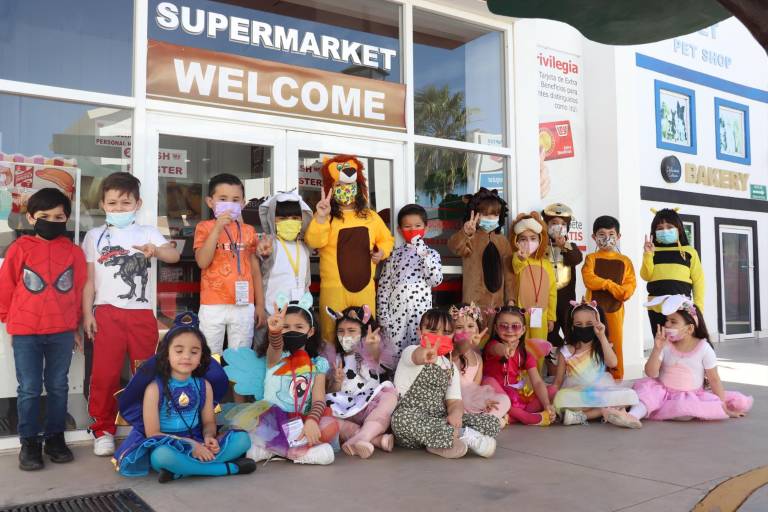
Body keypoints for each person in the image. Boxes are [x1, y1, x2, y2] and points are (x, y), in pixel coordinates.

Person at [82, 172, 180, 456]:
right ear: (102, 203)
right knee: (105, 374)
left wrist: (156, 251)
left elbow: (172, 255)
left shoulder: (147, 231)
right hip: (107, 313)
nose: (118, 208)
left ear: (138, 203)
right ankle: (102, 429)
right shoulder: (94, 236)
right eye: (112, 202)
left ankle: (144, 427)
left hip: (140, 314)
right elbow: (89, 280)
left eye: (125, 203)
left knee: (145, 373)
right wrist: (87, 313)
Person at [0, 188, 86, 471]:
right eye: (44, 216)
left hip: (61, 331)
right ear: (30, 217)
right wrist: (8, 321)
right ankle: (29, 442)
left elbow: (76, 290)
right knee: (29, 388)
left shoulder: (74, 252)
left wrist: (75, 327)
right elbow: (7, 286)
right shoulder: (19, 248)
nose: (52, 220)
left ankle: (55, 438)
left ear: (67, 218)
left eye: (59, 216)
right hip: (26, 331)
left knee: (59, 386)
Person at [113, 312, 254, 482]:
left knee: (243, 439)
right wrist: (191, 445)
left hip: (198, 438)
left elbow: (209, 423)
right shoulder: (154, 389)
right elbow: (152, 433)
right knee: (161, 457)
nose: (186, 356)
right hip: (165, 442)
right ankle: (226, 469)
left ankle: (180, 471)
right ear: (166, 355)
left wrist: (209, 437)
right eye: (179, 351)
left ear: (202, 358)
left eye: (194, 352)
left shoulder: (204, 385)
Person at [219, 293, 340, 465]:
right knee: (251, 431)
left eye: (299, 327)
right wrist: (275, 331)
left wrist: (312, 421)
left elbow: (319, 399)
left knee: (330, 426)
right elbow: (275, 345)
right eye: (286, 327)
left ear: (311, 331)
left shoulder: (318, 364)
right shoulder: (275, 357)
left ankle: (270, 449)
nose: (292, 331)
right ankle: (295, 452)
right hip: (270, 418)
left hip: (302, 420)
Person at [305, 155, 394, 344]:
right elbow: (314, 241)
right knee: (331, 334)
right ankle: (330, 371)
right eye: (339, 186)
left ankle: (365, 370)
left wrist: (382, 252)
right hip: (333, 289)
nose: (345, 190)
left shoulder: (370, 216)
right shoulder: (326, 216)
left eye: (349, 186)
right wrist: (321, 217)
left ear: (358, 186)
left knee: (365, 331)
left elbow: (387, 239)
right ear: (331, 188)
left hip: (365, 290)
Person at [391, 309, 500, 459]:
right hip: (412, 419)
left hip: (440, 419)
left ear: (453, 335)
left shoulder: (450, 367)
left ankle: (440, 443)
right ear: (419, 332)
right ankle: (462, 435)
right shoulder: (410, 351)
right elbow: (417, 356)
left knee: (491, 422)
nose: (439, 336)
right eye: (432, 330)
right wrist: (425, 354)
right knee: (400, 420)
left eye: (446, 332)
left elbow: (454, 400)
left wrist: (456, 414)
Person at [629, 295, 752, 422]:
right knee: (647, 396)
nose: (667, 324)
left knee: (686, 410)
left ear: (689, 328)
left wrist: (724, 409)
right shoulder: (665, 345)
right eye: (667, 320)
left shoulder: (704, 348)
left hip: (690, 395)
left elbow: (714, 380)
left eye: (673, 321)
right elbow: (651, 373)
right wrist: (657, 349)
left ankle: (641, 411)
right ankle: (632, 416)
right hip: (663, 392)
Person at [194, 173, 266, 356]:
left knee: (240, 356)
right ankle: (211, 385)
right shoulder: (204, 227)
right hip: (212, 303)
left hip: (244, 305)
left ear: (243, 203)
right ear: (210, 201)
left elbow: (255, 271)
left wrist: (259, 305)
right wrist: (218, 228)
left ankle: (234, 386)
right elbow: (202, 261)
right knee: (210, 355)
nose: (230, 204)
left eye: (235, 200)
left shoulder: (249, 231)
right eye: (223, 199)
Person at [325, 305, 398, 459]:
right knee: (326, 418)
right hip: (345, 410)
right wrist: (336, 381)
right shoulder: (335, 358)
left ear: (364, 332)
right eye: (341, 331)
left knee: (390, 395)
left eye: (352, 331)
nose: (345, 335)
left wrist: (372, 346)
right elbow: (331, 392)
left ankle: (363, 437)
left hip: (370, 408)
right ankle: (376, 440)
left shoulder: (369, 355)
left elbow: (377, 357)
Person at [553, 300, 640, 427]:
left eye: (589, 324)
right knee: (561, 398)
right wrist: (550, 401)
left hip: (601, 392)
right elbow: (558, 381)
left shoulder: (602, 346)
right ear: (572, 326)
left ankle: (584, 416)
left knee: (630, 395)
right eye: (578, 324)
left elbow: (612, 363)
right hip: (578, 393)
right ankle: (610, 411)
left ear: (597, 324)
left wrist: (602, 336)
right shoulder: (566, 351)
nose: (583, 327)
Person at [377, 204, 442, 363]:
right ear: (400, 230)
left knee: (419, 349)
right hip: (396, 315)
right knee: (395, 353)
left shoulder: (432, 254)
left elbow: (435, 280)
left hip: (420, 314)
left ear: (426, 228)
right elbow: (384, 287)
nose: (413, 230)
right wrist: (384, 317)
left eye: (418, 226)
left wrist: (424, 254)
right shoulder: (394, 255)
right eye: (407, 227)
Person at [448, 188, 514, 325]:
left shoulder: (503, 241)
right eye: (485, 215)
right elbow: (455, 247)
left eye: (495, 215)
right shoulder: (471, 237)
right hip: (473, 303)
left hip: (498, 303)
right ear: (475, 215)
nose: (491, 219)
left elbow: (509, 274)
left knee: (495, 336)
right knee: (474, 336)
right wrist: (465, 233)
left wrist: (510, 299)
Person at [582, 215, 637, 379]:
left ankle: (617, 378)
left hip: (615, 311)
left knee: (615, 344)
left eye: (611, 234)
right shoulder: (591, 258)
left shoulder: (624, 261)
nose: (607, 238)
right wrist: (610, 285)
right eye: (602, 234)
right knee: (592, 345)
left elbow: (628, 289)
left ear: (618, 237)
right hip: (593, 311)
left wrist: (616, 290)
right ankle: (593, 378)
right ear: (594, 237)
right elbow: (589, 280)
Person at [482, 305, 555, 426]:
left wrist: (547, 404)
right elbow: (496, 349)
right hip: (495, 396)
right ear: (495, 328)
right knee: (488, 381)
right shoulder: (492, 345)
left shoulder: (525, 354)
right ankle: (526, 418)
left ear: (523, 330)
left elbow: (537, 382)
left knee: (551, 390)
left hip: (516, 397)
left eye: (515, 326)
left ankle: (511, 417)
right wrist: (505, 349)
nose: (509, 330)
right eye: (503, 326)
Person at [256, 190, 312, 342]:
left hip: (300, 313)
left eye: (295, 218)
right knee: (269, 349)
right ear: (272, 220)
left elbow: (306, 280)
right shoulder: (271, 243)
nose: (290, 221)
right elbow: (261, 254)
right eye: (283, 218)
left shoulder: (304, 246)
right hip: (272, 312)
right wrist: (263, 251)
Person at [640, 208, 704, 334]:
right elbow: (646, 276)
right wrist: (648, 255)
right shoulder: (652, 252)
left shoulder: (689, 252)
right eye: (659, 228)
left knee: (680, 345)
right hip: (656, 309)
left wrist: (698, 310)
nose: (664, 230)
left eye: (669, 226)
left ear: (679, 229)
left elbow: (699, 282)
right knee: (661, 344)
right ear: (654, 232)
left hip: (681, 308)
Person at [449, 303, 510, 422]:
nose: (466, 331)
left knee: (504, 400)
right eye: (459, 327)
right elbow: (460, 350)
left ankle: (483, 420)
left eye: (471, 326)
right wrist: (467, 343)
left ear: (477, 329)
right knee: (459, 407)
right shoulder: (451, 353)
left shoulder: (478, 358)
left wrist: (482, 402)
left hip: (473, 399)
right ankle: (485, 422)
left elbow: (475, 388)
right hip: (455, 399)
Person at [510, 212, 557, 342]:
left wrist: (551, 317)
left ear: (540, 240)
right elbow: (515, 267)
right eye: (523, 239)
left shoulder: (546, 264)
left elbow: (552, 293)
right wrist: (520, 258)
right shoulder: (517, 258)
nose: (528, 242)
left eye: (533, 238)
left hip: (541, 315)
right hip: (520, 314)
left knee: (538, 348)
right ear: (516, 241)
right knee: (520, 345)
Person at [542, 203, 583, 352]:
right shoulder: (540, 247)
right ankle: (556, 356)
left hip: (566, 297)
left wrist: (564, 246)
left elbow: (576, 259)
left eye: (562, 224)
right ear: (546, 225)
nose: (558, 227)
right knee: (549, 333)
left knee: (570, 330)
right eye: (553, 223)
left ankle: (573, 356)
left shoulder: (570, 245)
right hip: (547, 298)